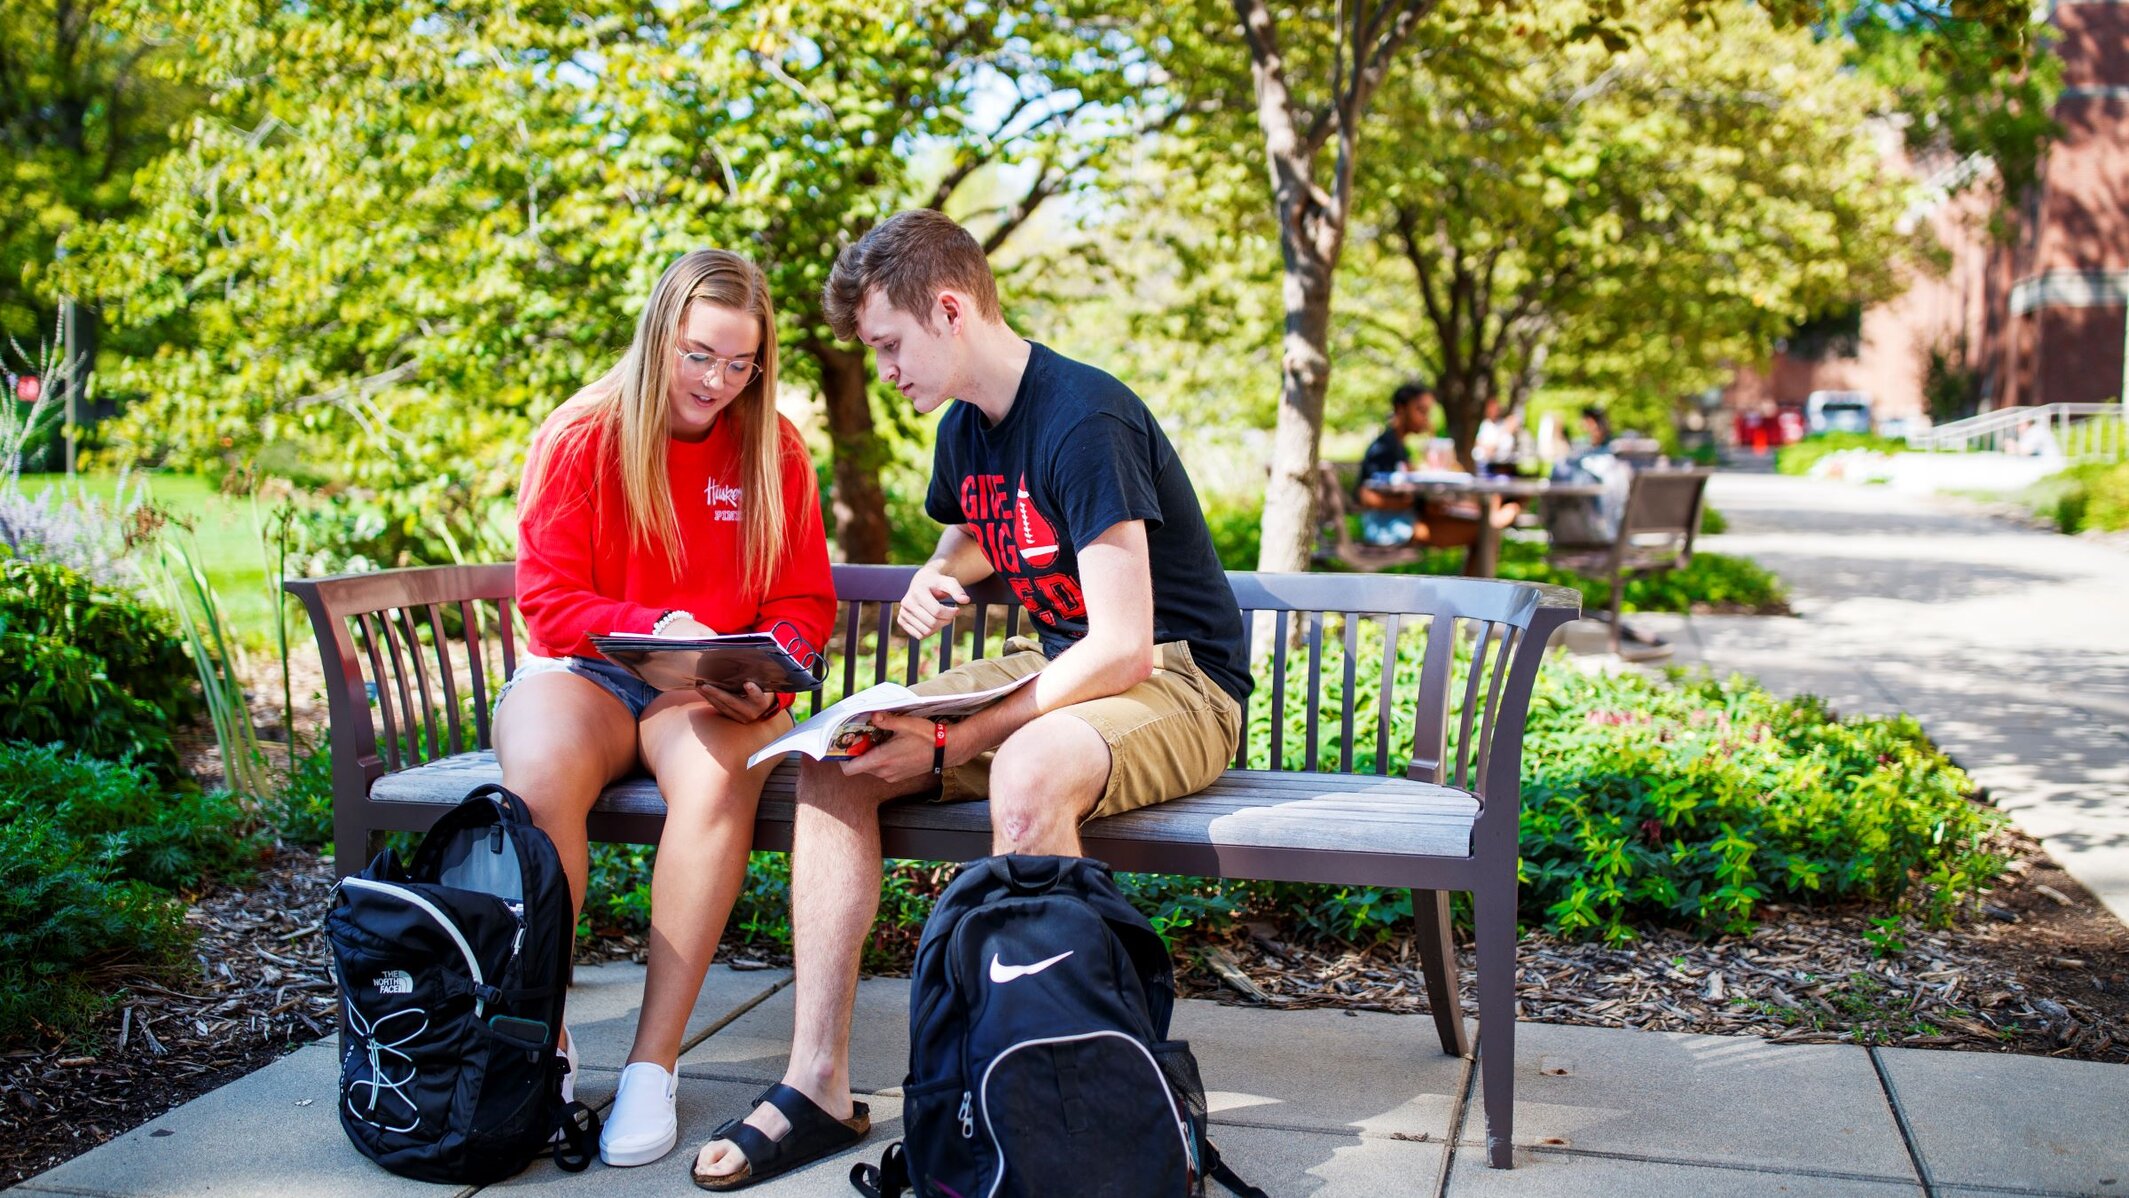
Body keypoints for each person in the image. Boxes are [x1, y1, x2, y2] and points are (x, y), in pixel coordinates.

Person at [690, 210, 1252, 1190]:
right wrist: (939, 573)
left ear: (948, 309)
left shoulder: (1085, 418)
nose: (882, 368)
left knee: (1027, 767)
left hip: (1175, 676)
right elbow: (983, 531)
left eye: (888, 344)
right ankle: (816, 1082)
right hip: (1057, 659)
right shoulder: (966, 427)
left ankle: (1048, 1114)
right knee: (839, 749)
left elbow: (1122, 645)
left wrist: (961, 734)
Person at [495, 249, 835, 1170]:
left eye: (740, 364)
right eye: (699, 356)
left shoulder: (776, 448)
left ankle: (653, 1064)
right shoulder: (580, 435)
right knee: (538, 775)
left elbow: (803, 603)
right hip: (592, 670)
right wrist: (655, 627)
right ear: (658, 340)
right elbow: (551, 601)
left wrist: (774, 670)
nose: (718, 383)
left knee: (722, 773)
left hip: (711, 685)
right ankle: (544, 1044)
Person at [1353, 382, 1495, 549]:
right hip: (1390, 528)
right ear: (1401, 409)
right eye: (1421, 410)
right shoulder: (1384, 448)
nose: (1425, 418)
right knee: (1485, 532)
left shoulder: (1398, 446)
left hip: (1406, 520)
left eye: (1428, 412)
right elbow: (1365, 496)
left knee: (1484, 528)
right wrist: (1414, 504)